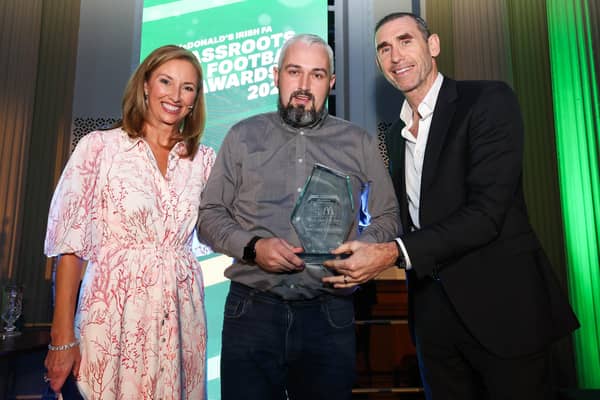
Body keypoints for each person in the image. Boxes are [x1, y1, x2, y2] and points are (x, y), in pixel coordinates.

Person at [323, 12, 580, 400]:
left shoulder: (487, 100)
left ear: (433, 45)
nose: (396, 56)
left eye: (406, 41)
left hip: (504, 312)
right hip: (433, 322)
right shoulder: (392, 135)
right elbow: (403, 218)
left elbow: (486, 214)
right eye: (385, 49)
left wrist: (392, 253)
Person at [196, 33, 399, 400]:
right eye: (294, 72)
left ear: (331, 83)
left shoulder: (359, 142)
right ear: (276, 76)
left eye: (317, 75)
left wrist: (363, 251)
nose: (304, 86)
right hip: (251, 312)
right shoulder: (242, 137)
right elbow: (209, 216)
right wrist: (253, 247)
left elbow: (388, 216)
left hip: (329, 314)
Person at [43, 45, 215, 399]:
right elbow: (72, 247)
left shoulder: (204, 160)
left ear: (195, 99)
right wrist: (62, 338)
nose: (175, 95)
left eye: (188, 87)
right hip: (112, 317)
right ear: (146, 85)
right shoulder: (100, 148)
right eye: (166, 81)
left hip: (181, 318)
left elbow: (225, 226)